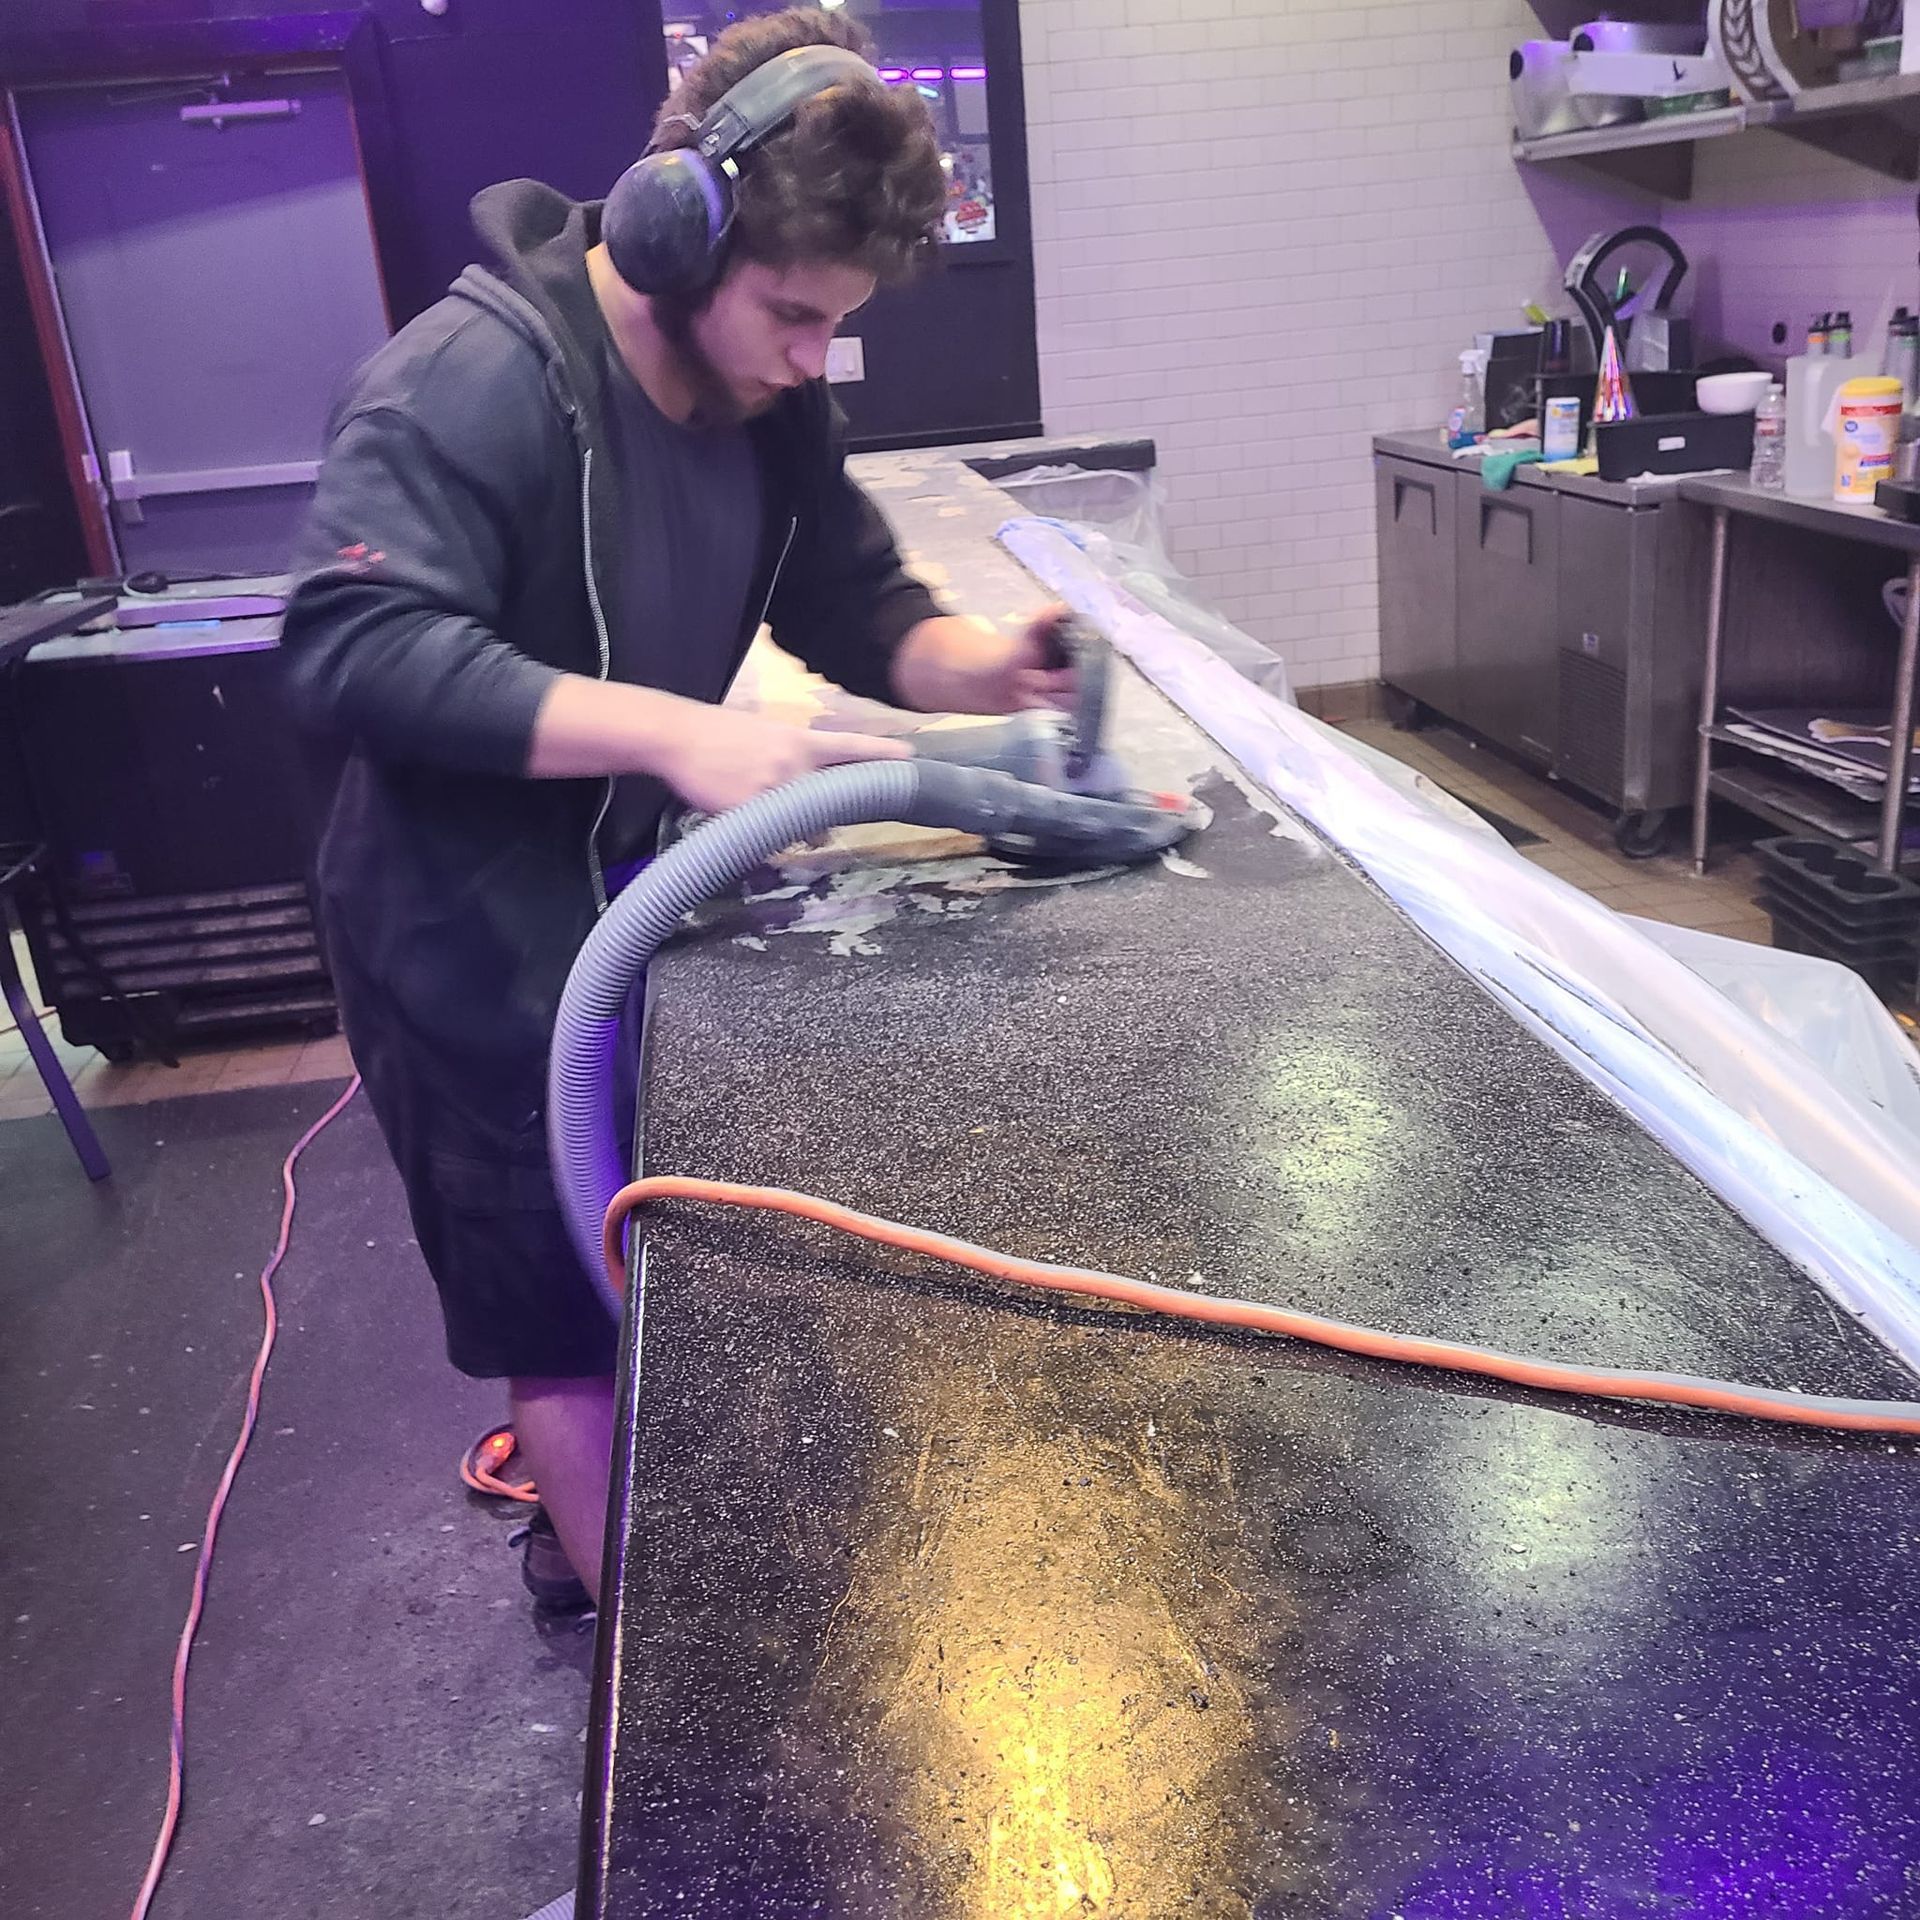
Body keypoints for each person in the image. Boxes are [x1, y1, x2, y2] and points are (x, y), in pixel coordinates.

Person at [280, 7, 1073, 1611]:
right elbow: (351, 649)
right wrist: (675, 737)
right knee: (559, 1334)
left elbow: (858, 603)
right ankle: (660, 1716)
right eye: (792, 314)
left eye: (833, 325)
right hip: (471, 944)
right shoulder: (465, 386)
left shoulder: (768, 396)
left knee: (649, 1255)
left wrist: (996, 666)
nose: (810, 357)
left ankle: (629, 1540)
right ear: (670, 232)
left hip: (624, 908)